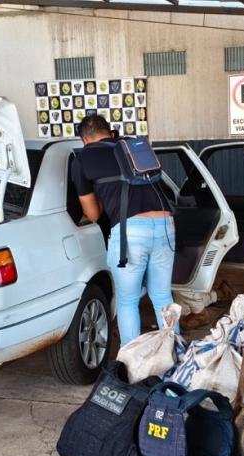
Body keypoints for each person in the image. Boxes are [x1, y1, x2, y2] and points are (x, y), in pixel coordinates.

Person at [73, 115, 178, 346]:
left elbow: (93, 214)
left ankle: (132, 362)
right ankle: (174, 354)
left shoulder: (83, 159)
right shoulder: (132, 147)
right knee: (162, 296)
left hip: (131, 232)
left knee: (128, 301)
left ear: (84, 139)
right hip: (165, 224)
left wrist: (102, 194)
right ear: (110, 133)